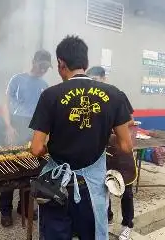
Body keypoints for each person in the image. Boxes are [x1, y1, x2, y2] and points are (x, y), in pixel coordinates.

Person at [29, 35, 133, 239]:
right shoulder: (115, 95)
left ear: (61, 64)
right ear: (85, 63)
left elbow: (36, 148)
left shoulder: (50, 95)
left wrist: (50, 149)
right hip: (91, 187)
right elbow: (126, 146)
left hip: (56, 185)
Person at [0, 50, 52, 227]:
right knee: (10, 170)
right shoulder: (17, 79)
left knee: (31, 171)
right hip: (16, 125)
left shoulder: (45, 85)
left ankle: (24, 206)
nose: (44, 69)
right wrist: (8, 126)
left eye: (46, 66)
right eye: (41, 64)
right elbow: (5, 104)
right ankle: (5, 210)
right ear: (33, 61)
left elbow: (45, 114)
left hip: (35, 130)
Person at [87, 66, 137, 240]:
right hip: (102, 150)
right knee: (104, 185)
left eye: (96, 79)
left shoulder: (117, 95)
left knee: (126, 188)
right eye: (90, 79)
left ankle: (127, 224)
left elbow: (130, 120)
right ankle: (106, 218)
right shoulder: (91, 98)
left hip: (119, 149)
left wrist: (114, 129)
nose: (94, 83)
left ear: (103, 78)